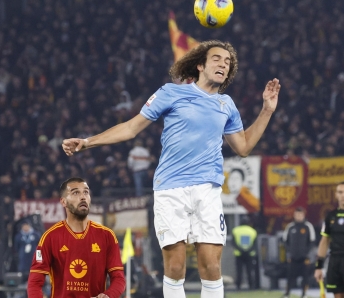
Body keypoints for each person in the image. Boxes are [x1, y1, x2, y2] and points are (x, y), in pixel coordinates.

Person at [62, 40, 281, 298]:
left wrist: (267, 110)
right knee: (175, 267)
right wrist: (88, 142)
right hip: (170, 189)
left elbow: (243, 147)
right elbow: (132, 128)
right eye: (217, 59)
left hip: (207, 189)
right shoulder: (171, 93)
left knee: (211, 266)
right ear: (200, 65)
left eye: (228, 62)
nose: (224, 64)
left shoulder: (226, 105)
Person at [27, 177, 125, 297]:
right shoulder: (49, 237)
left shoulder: (107, 236)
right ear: (63, 202)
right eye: (75, 193)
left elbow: (119, 278)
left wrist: (109, 295)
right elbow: (35, 282)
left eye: (86, 192)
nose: (83, 197)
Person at [314, 182, 344, 298]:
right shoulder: (331, 216)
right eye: (340, 192)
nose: (343, 196)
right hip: (335, 261)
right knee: (337, 295)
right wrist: (318, 267)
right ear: (336, 195)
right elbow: (324, 241)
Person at [282, 207, 315, 298]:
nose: (299, 217)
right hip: (293, 257)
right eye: (297, 215)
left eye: (300, 215)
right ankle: (287, 293)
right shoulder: (290, 227)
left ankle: (304, 294)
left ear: (303, 215)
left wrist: (308, 255)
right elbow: (285, 241)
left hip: (304, 257)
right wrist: (289, 253)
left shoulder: (308, 226)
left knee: (305, 277)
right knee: (290, 276)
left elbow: (312, 242)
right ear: (294, 215)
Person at [231, 216, 258, 290]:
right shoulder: (253, 231)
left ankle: (238, 286)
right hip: (249, 254)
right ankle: (251, 286)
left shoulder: (235, 230)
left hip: (239, 254)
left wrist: (240, 249)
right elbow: (255, 244)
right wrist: (248, 250)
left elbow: (233, 242)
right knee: (249, 271)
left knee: (239, 271)